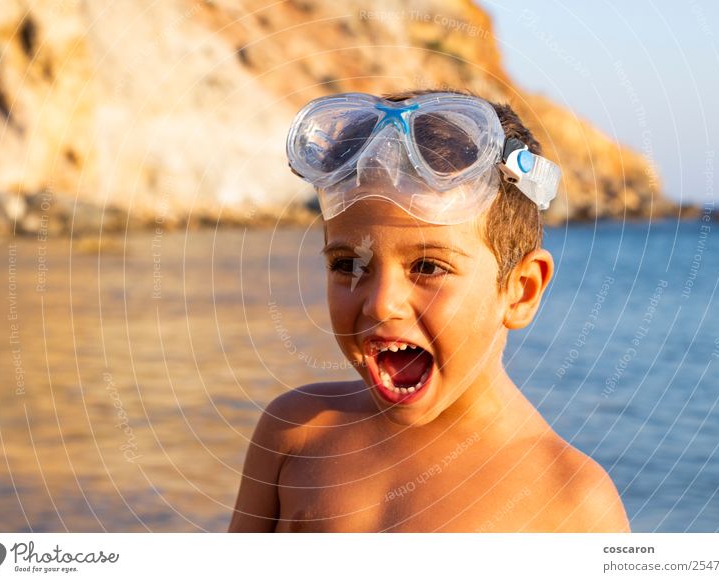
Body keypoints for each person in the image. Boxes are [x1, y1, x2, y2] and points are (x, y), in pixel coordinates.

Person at [228, 89, 630, 532]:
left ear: (520, 291)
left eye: (427, 266)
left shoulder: (571, 503)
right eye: (348, 265)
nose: (381, 301)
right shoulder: (296, 432)